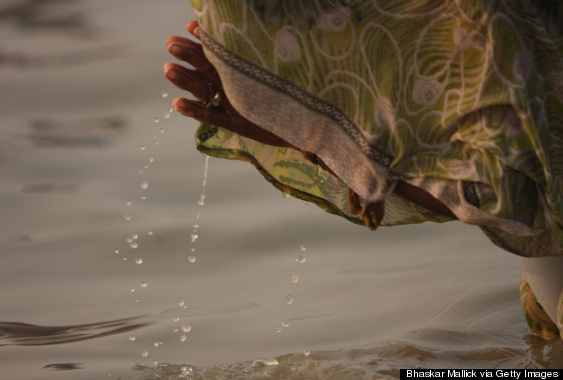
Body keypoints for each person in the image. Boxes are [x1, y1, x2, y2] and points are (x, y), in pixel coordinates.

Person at [164, 0, 563, 339]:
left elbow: (503, 195)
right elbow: (501, 194)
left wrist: (321, 140)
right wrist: (309, 137)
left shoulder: (484, 20)